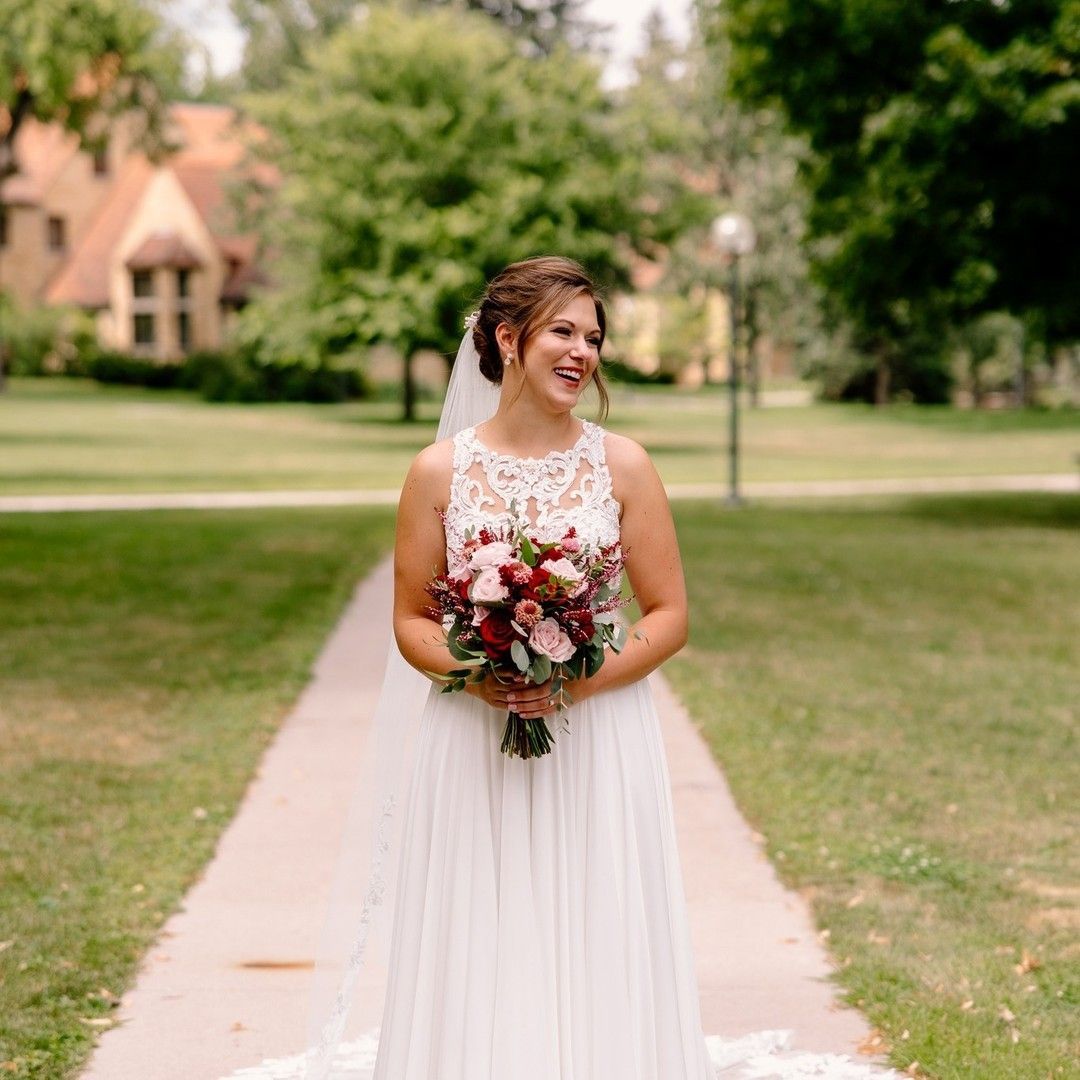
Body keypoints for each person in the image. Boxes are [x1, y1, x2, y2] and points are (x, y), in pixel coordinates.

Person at [372, 255, 716, 1078]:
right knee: (482, 920)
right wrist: (480, 672)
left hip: (598, 733)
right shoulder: (438, 472)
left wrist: (572, 680)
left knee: (595, 912)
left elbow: (668, 617)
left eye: (593, 337)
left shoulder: (623, 466)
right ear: (507, 338)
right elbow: (411, 622)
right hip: (472, 737)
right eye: (563, 331)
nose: (582, 352)